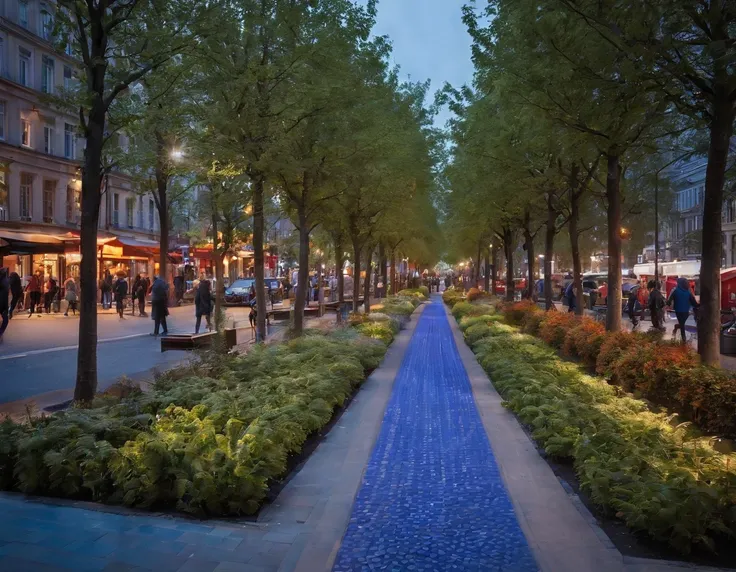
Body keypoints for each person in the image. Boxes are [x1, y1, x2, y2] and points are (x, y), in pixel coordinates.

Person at [667, 276, 699, 343]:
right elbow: (694, 303)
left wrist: (668, 304)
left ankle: (676, 328)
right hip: (682, 311)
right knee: (682, 324)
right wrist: (698, 305)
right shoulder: (688, 292)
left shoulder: (675, 290)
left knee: (682, 324)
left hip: (681, 310)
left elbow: (669, 300)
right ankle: (684, 340)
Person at [0, 267, 9, 342]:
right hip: (2, 304)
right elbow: (5, 296)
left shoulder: (4, 281)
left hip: (2, 304)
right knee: (5, 320)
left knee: (5, 320)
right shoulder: (5, 282)